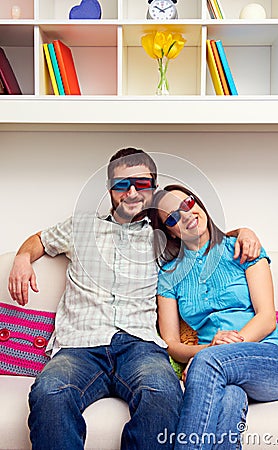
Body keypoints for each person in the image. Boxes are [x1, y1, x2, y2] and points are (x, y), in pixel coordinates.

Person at [8, 148, 261, 450]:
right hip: (79, 345)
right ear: (110, 190)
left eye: (141, 184)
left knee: (163, 393)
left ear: (152, 190)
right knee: (50, 392)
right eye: (121, 184)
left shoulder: (162, 236)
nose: (131, 192)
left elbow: (201, 233)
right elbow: (38, 241)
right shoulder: (80, 226)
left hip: (139, 346)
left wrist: (243, 231)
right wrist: (23, 258)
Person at [150, 184, 278, 450]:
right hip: (219, 369)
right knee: (230, 399)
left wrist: (219, 352)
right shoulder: (170, 275)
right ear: (169, 232)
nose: (186, 215)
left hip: (272, 360)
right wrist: (209, 349)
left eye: (188, 203)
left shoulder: (243, 248)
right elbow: (170, 343)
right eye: (172, 217)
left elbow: (267, 319)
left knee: (206, 364)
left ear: (199, 203)